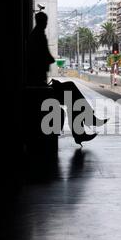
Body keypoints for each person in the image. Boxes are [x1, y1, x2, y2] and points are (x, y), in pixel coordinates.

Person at [26, 12, 108, 146]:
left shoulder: (34, 35)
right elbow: (48, 58)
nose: (46, 25)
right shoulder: (38, 36)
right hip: (39, 87)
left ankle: (84, 126)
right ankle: (85, 125)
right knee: (71, 91)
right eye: (45, 22)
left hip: (38, 85)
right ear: (41, 22)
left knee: (71, 90)